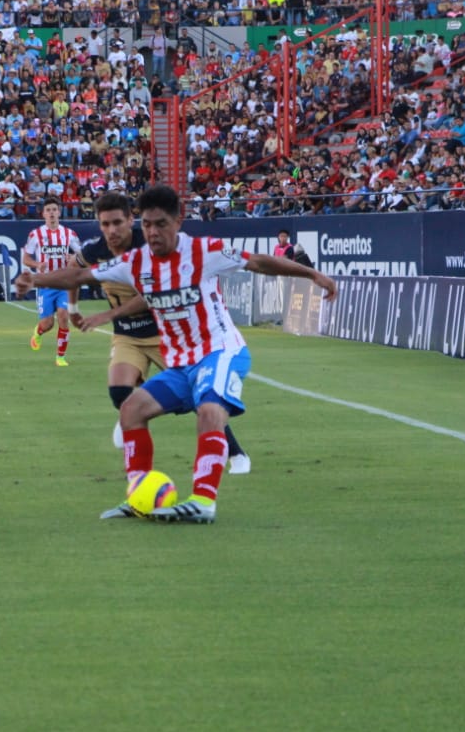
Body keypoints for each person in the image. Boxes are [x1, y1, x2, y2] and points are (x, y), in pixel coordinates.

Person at [20, 185, 338, 523]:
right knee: (130, 411)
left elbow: (258, 261)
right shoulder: (135, 261)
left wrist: (312, 273)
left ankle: (203, 500)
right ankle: (140, 495)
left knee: (209, 411)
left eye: (161, 224)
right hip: (181, 361)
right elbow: (81, 273)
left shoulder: (205, 251)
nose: (153, 232)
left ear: (178, 221)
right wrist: (34, 279)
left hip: (220, 351)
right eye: (147, 225)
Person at [70, 192, 253, 474]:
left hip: (164, 334)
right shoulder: (96, 250)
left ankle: (236, 453)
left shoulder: (151, 247)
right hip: (127, 335)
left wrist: (108, 314)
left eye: (117, 223)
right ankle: (129, 420)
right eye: (105, 224)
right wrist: (71, 306)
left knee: (201, 398)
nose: (111, 231)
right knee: (118, 389)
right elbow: (73, 269)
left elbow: (156, 294)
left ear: (132, 220)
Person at [22, 198, 82, 366]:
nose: (52, 213)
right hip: (45, 284)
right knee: (47, 323)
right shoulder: (36, 235)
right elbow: (26, 258)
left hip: (64, 283)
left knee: (64, 316)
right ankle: (38, 332)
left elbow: (82, 255)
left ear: (59, 212)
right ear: (43, 214)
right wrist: (37, 264)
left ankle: (60, 357)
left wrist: (74, 257)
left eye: (54, 209)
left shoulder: (69, 234)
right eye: (48, 210)